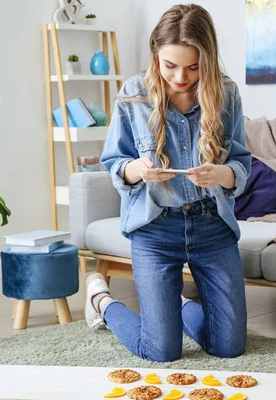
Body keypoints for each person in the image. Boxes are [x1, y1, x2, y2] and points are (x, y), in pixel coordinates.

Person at [84, 3, 251, 362]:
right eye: (170, 66)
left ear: (207, 59)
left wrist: (219, 174)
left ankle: (174, 306)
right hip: (155, 230)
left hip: (212, 227)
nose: (180, 77)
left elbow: (240, 163)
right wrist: (138, 170)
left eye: (193, 67)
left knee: (230, 347)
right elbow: (115, 163)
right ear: (155, 56)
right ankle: (102, 302)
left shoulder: (227, 93)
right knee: (160, 352)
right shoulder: (134, 94)